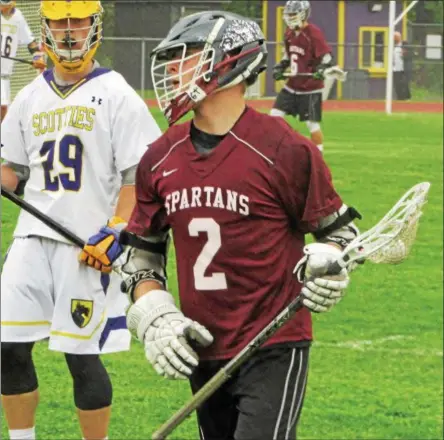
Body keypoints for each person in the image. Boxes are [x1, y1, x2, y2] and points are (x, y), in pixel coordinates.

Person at [82, 10, 362, 439]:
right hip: (202, 342)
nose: (173, 70)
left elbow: (339, 231)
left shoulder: (285, 149)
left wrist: (331, 262)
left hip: (273, 340)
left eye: (187, 57)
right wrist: (154, 314)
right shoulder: (159, 156)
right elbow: (143, 253)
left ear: (231, 62)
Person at [0, 1, 162, 440]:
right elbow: (13, 171)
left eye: (78, 21)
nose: (70, 32)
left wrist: (118, 229)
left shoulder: (116, 94)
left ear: (94, 25)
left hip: (85, 244)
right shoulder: (29, 97)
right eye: (59, 22)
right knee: (8, 349)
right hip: (32, 240)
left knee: (81, 356)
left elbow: (137, 176)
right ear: (47, 28)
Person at [270, 0, 334, 153]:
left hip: (310, 88)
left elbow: (327, 58)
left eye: (293, 14)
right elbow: (288, 54)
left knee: (312, 124)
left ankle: (319, 155)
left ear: (304, 14)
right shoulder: (289, 33)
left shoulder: (313, 33)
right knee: (274, 117)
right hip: (292, 85)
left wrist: (321, 69)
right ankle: (275, 150)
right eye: (289, 14)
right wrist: (280, 66)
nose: (290, 17)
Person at [1, 0, 46, 121]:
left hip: (4, 74)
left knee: (4, 108)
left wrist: (37, 57)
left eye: (5, 4)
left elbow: (31, 43)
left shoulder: (18, 17)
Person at [393, 31, 411, 101]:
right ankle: (399, 98)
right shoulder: (393, 46)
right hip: (395, 68)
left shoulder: (404, 45)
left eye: (395, 37)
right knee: (396, 84)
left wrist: (405, 54)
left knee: (404, 83)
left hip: (403, 68)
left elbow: (410, 54)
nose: (394, 39)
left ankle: (406, 97)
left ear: (399, 38)